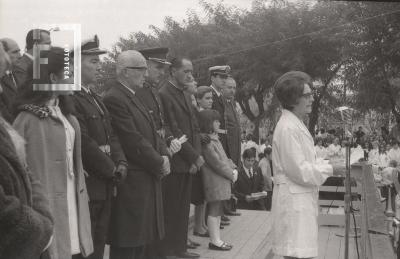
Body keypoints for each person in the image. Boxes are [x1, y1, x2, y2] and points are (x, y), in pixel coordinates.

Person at [12, 47, 93, 259]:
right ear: (52, 77)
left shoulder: (67, 115)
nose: (74, 78)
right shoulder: (26, 119)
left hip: (71, 200)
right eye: (70, 73)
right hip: (45, 207)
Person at [104, 50, 176, 259]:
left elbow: (152, 132)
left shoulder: (132, 96)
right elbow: (132, 139)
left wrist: (165, 155)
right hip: (133, 182)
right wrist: (159, 161)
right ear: (125, 72)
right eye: (141, 69)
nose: (146, 74)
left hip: (144, 179)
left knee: (139, 244)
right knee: (127, 245)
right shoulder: (115, 98)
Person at [72, 36, 128, 259]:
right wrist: (111, 169)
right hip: (90, 181)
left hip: (105, 182)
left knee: (99, 241)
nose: (99, 66)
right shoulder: (71, 97)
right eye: (93, 62)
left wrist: (121, 162)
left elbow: (111, 134)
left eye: (98, 61)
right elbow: (84, 142)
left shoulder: (94, 97)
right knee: (87, 245)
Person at [271, 71, 334, 259]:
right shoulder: (288, 128)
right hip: (293, 198)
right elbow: (300, 171)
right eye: (306, 95)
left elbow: (306, 162)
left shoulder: (295, 123)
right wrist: (332, 168)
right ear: (292, 99)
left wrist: (328, 162)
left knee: (300, 251)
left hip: (299, 198)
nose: (311, 99)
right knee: (295, 252)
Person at [0, 42, 53, 259]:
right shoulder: (29, 117)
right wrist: (38, 227)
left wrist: (43, 216)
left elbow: (25, 170)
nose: (2, 89)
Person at [158, 57, 204, 259]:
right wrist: (193, 156)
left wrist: (196, 157)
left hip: (187, 160)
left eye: (191, 71)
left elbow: (193, 128)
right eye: (185, 71)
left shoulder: (184, 94)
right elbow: (173, 128)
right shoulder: (164, 94)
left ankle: (180, 247)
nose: (190, 75)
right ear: (173, 71)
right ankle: (169, 250)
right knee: (172, 207)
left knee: (183, 207)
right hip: (176, 159)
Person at [198, 109, 237, 251]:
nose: (219, 123)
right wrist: (231, 174)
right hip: (214, 181)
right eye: (216, 121)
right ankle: (215, 241)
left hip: (220, 180)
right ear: (208, 123)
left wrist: (233, 167)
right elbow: (217, 163)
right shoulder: (208, 142)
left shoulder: (214, 139)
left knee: (217, 209)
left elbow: (224, 159)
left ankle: (217, 239)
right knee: (214, 209)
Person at [0, 38, 20, 122]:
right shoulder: (2, 77)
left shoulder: (19, 73)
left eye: (19, 51)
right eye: (15, 52)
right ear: (3, 54)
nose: (20, 55)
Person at [258, 145, 273, 210]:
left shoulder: (266, 161)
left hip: (267, 187)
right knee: (267, 206)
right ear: (267, 155)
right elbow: (264, 174)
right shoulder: (264, 162)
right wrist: (269, 184)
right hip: (266, 188)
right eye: (272, 154)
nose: (273, 156)